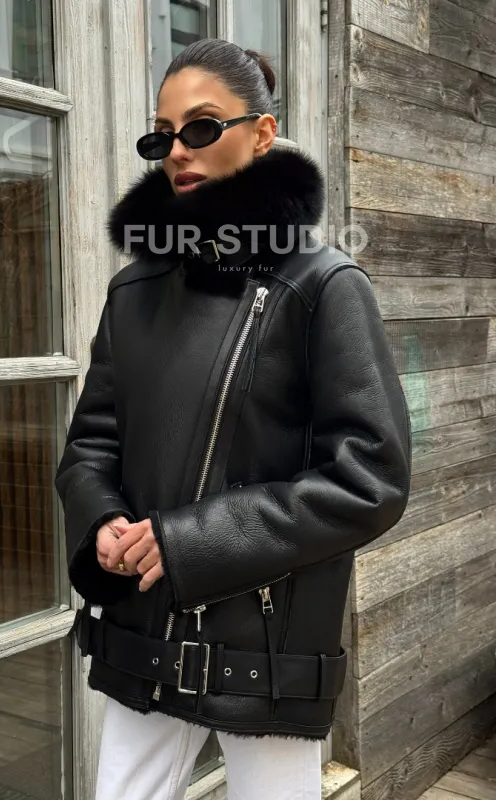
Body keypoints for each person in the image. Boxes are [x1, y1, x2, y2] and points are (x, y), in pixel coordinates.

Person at [56, 38, 411, 800]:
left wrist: (190, 543)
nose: (178, 151)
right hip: (143, 635)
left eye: (201, 126)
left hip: (266, 653)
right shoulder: (134, 292)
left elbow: (371, 478)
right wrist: (102, 522)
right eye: (163, 135)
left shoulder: (324, 285)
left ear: (262, 133)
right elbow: (91, 443)